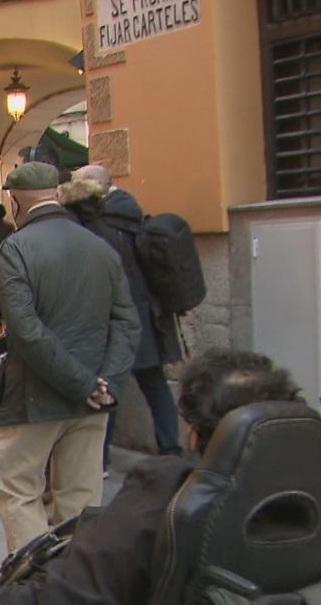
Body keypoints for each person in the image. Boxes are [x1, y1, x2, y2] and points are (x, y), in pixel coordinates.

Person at [0, 349, 305, 605]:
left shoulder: (170, 495)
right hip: (92, 393)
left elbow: (70, 598)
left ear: (194, 433)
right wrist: (102, 384)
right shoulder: (314, 497)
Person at [0, 161, 139, 553]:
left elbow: (26, 331)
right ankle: (74, 576)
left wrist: (83, 383)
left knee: (16, 486)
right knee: (81, 499)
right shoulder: (99, 247)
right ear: (56, 193)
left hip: (35, 396)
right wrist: (106, 383)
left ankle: (37, 579)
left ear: (15, 201)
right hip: (93, 397)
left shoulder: (16, 248)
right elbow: (127, 323)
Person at [61, 164, 183, 470]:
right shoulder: (131, 214)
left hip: (116, 316)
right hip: (145, 314)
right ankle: (171, 450)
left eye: (76, 182)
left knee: (107, 387)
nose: (72, 187)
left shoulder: (96, 221)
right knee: (154, 386)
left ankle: (99, 460)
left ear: (91, 186)